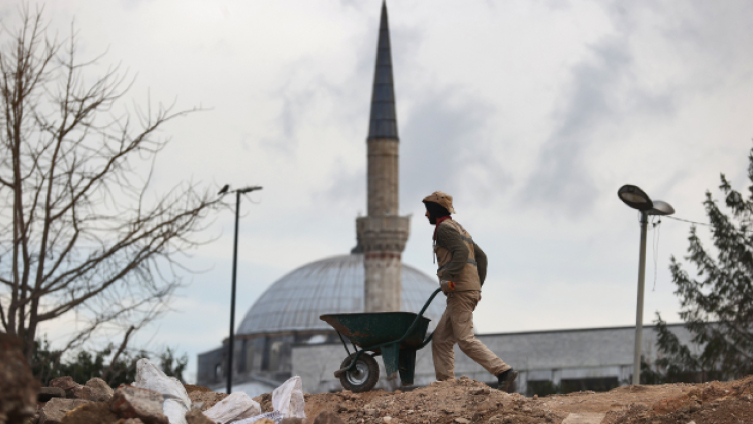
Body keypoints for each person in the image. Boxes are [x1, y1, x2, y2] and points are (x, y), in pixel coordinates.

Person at [422, 191, 518, 391]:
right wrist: (477, 286)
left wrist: (448, 277)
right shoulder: (459, 228)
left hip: (460, 292)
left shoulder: (444, 230)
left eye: (428, 211)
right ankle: (445, 386)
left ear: (435, 211)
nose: (426, 215)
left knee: (465, 340)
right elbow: (481, 257)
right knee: (440, 339)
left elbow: (462, 252)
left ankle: (503, 371)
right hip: (465, 290)